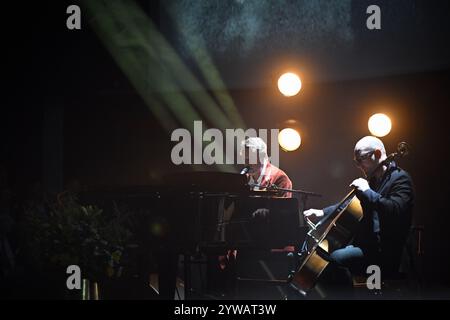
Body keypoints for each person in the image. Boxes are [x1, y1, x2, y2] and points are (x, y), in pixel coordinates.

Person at [303, 136, 414, 295]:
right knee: (322, 257)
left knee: (333, 260)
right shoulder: (375, 180)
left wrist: (367, 191)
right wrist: (322, 212)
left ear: (376, 154)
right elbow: (351, 204)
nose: (359, 165)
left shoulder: (400, 179)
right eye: (356, 161)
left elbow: (395, 210)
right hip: (368, 246)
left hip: (387, 252)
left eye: (361, 159)